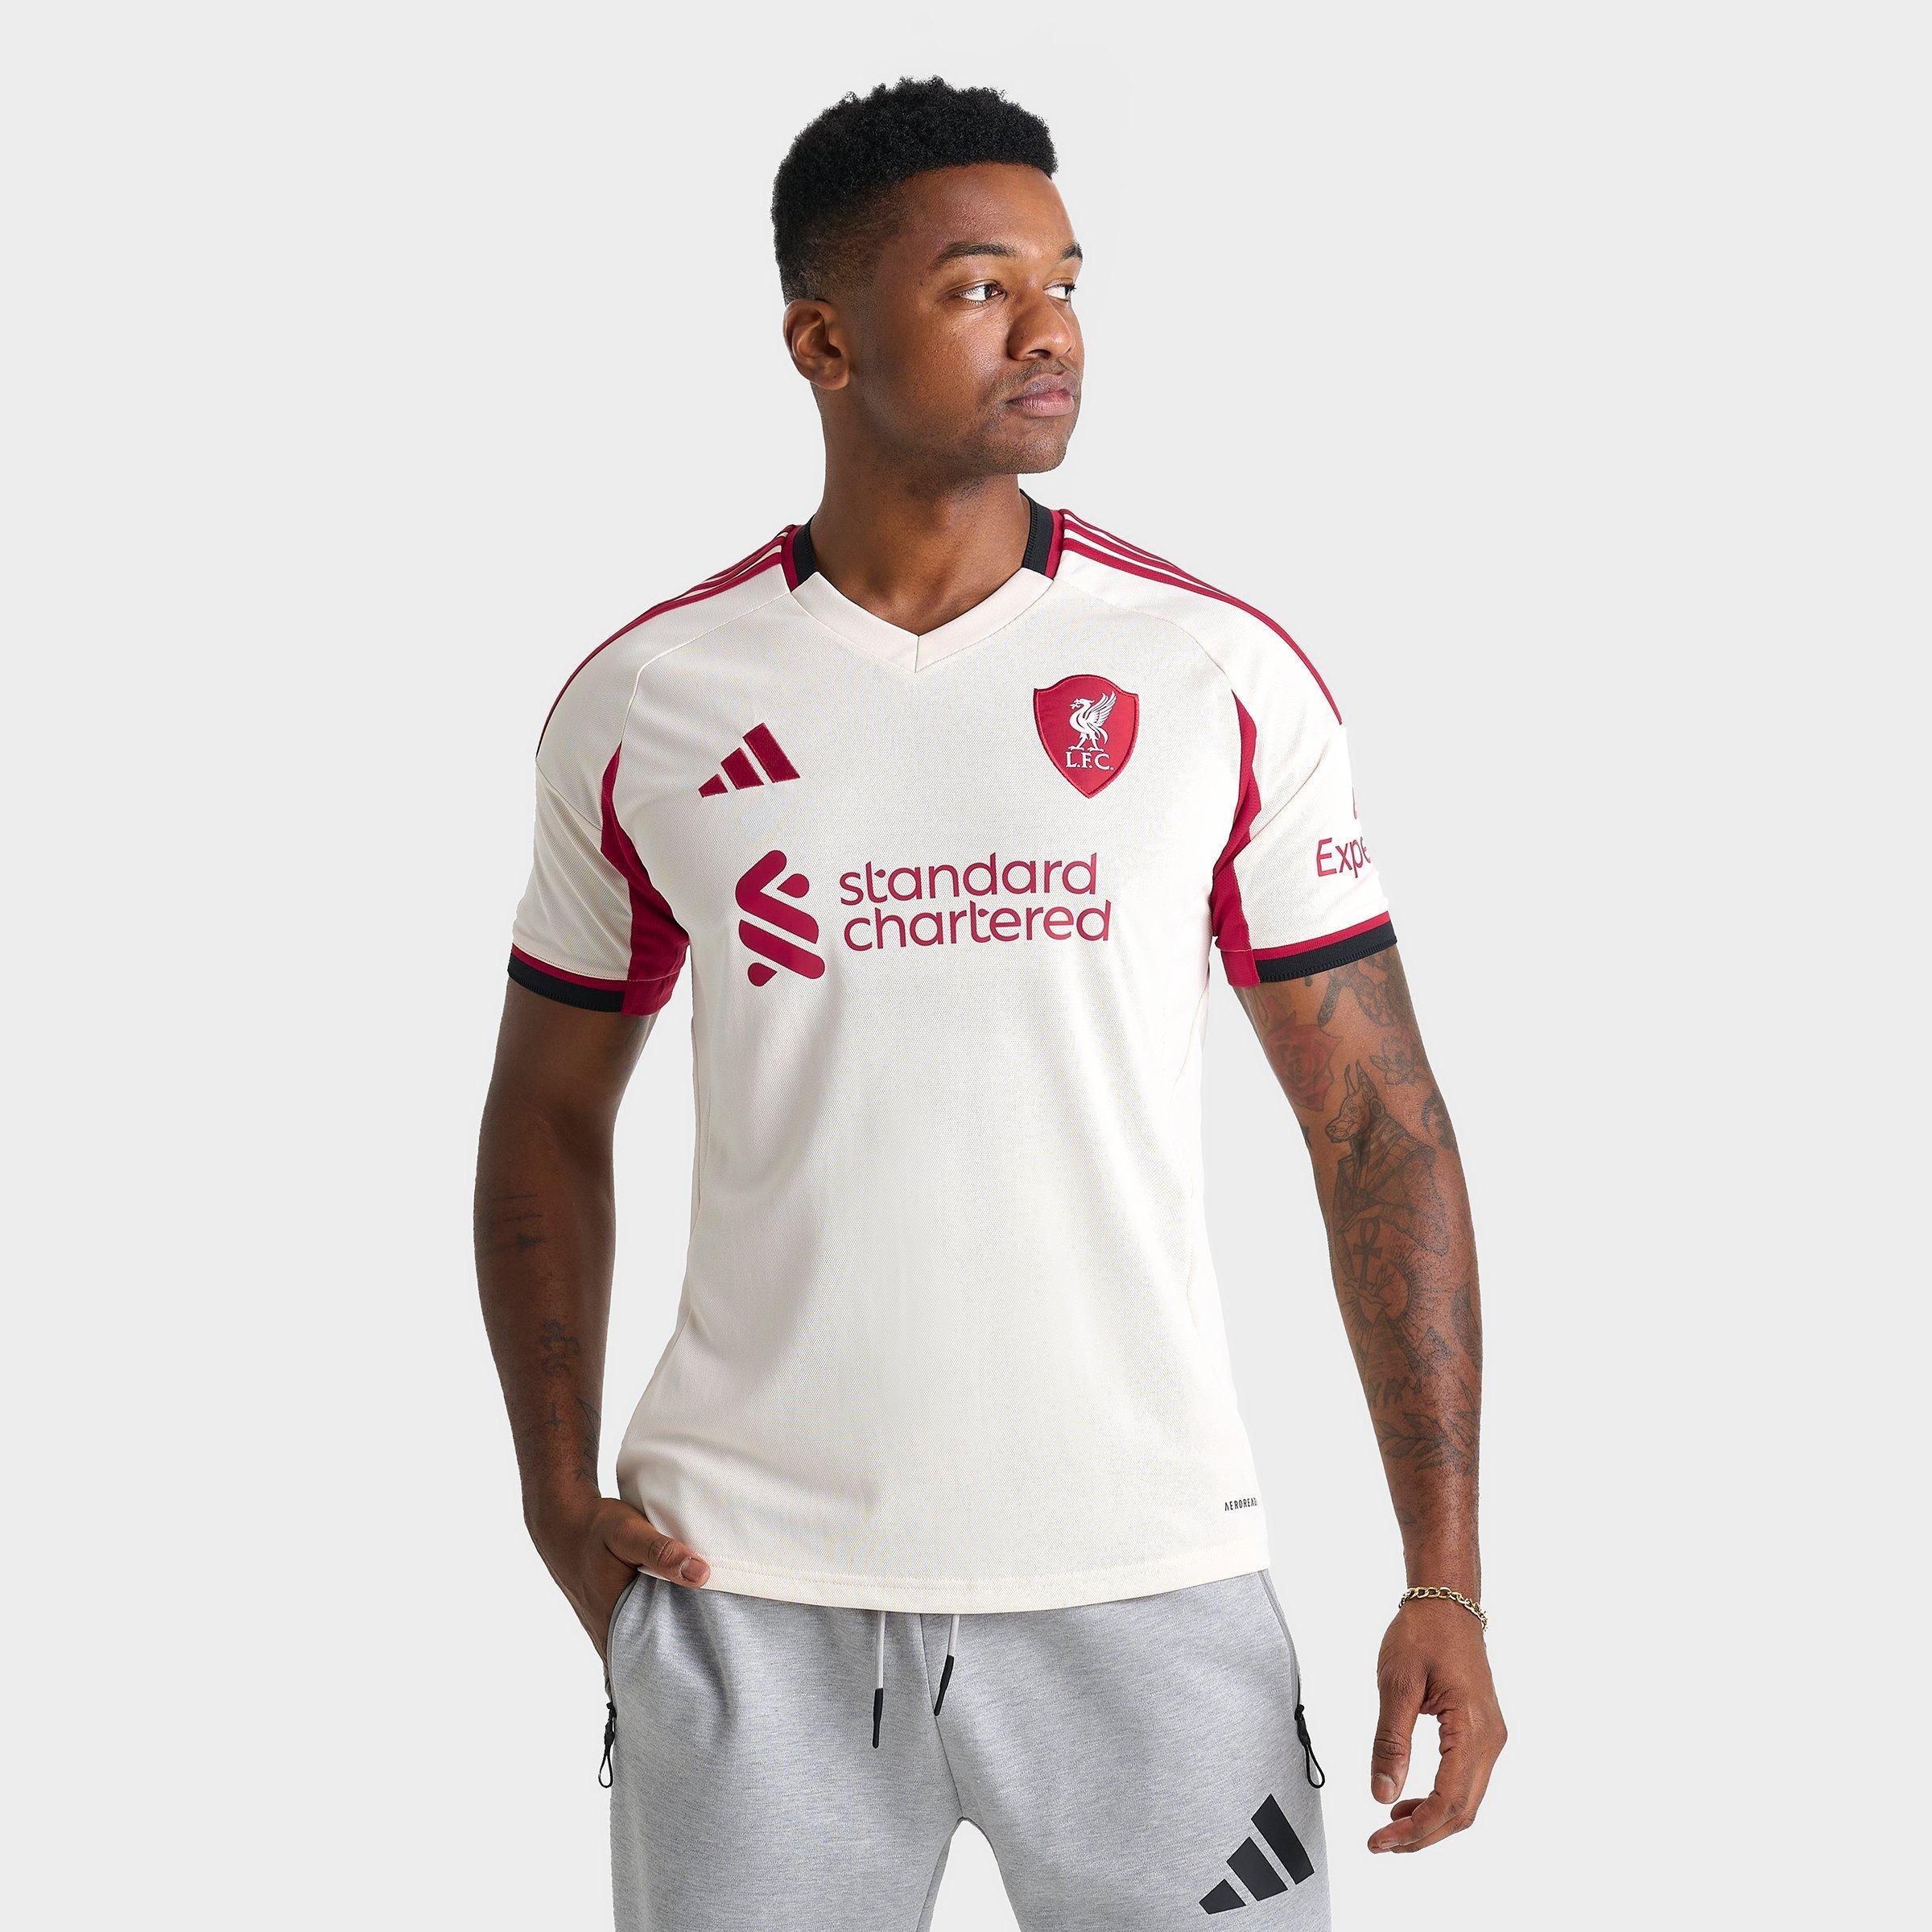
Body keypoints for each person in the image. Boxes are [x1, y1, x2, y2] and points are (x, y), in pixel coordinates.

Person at [474, 76, 1504, 1931]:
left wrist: (1444, 1575)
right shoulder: (654, 697)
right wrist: (556, 1497)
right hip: (743, 1595)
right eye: (978, 287)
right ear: (821, 339)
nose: (1050, 330)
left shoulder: (1211, 674)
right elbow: (548, 1109)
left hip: (1151, 1593)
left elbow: (1378, 1124)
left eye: (1067, 280)